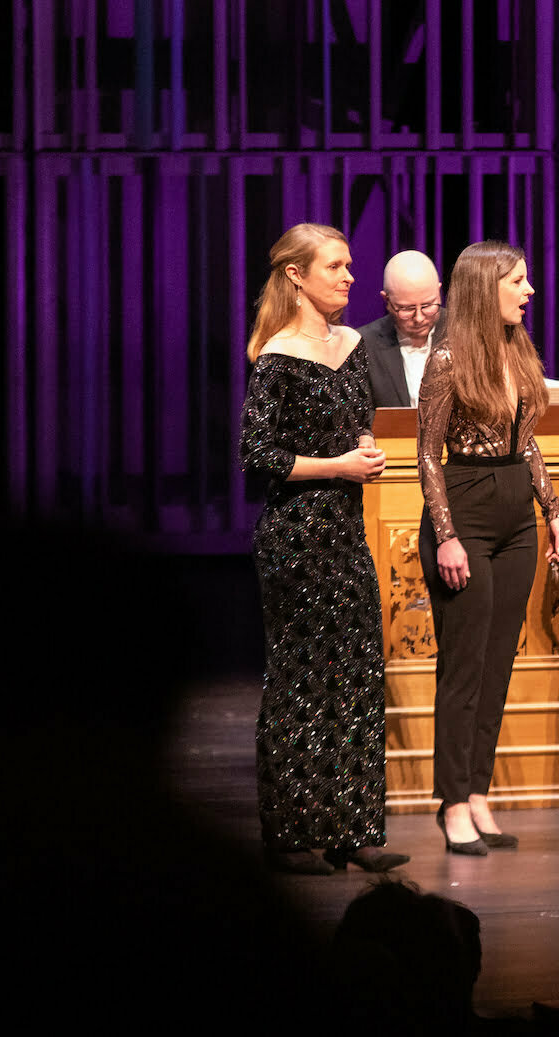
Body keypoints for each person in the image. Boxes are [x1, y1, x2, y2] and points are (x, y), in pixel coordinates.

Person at [238, 223, 407, 875]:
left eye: (349, 265)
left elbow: (359, 420)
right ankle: (292, 830)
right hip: (296, 536)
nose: (348, 276)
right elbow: (258, 454)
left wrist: (365, 449)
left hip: (344, 531)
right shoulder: (278, 355)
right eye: (334, 266)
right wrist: (337, 465)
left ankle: (354, 827)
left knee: (358, 672)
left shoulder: (354, 345)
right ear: (296, 276)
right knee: (302, 681)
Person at [417, 240, 559, 854]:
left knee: (500, 661)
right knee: (465, 664)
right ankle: (452, 799)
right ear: (487, 288)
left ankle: (479, 791)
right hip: (467, 507)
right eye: (519, 281)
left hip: (514, 511)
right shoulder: (448, 359)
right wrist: (448, 536)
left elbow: (528, 442)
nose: (529, 290)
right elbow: (427, 453)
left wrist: (553, 511)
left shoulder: (518, 350)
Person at [356, 249, 446, 408]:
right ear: (386, 300)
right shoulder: (363, 344)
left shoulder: (465, 331)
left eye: (428, 305)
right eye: (406, 309)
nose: (419, 318)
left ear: (439, 292)